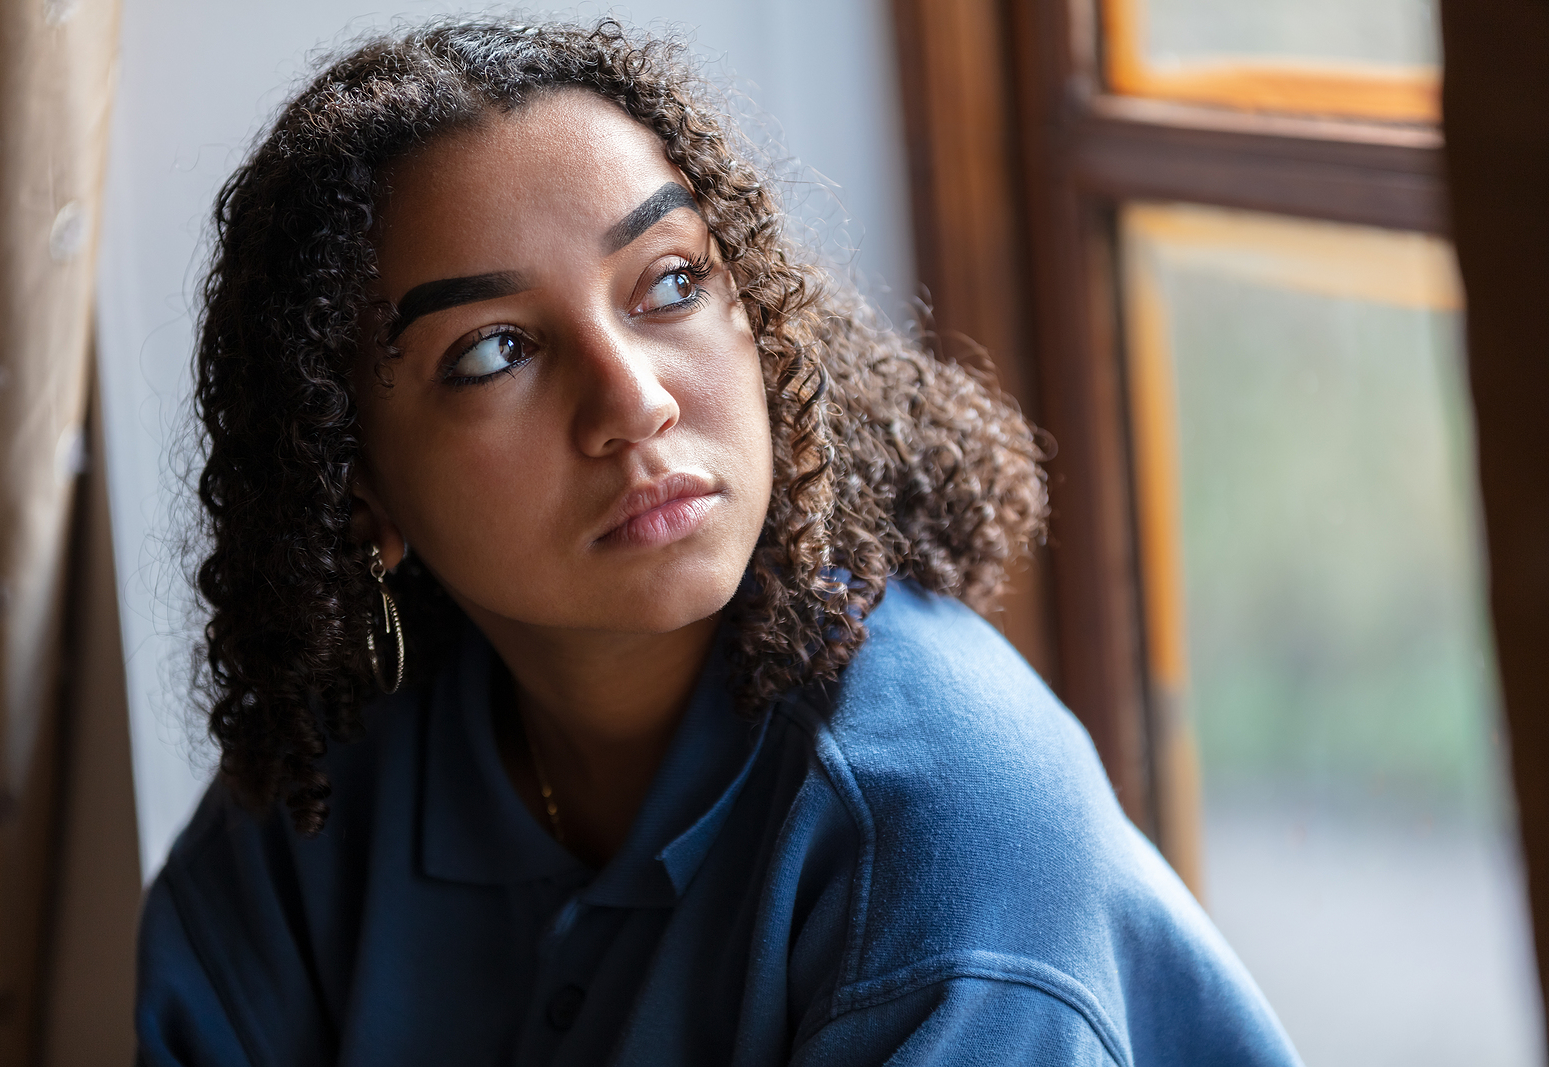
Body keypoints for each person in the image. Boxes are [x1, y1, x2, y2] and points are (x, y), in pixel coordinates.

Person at [136, 17, 1300, 1067]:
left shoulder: (946, 823)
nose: (632, 400)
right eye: (493, 350)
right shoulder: (322, 807)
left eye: (672, 281)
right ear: (358, 493)